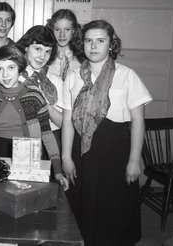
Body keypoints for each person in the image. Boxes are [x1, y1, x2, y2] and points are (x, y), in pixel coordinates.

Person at [61, 20, 152, 246]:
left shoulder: (127, 75)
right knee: (83, 206)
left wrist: (134, 160)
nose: (93, 46)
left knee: (114, 207)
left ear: (111, 44)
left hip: (116, 151)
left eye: (100, 41)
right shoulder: (73, 77)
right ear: (82, 44)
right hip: (82, 151)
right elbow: (67, 120)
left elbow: (138, 122)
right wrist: (65, 157)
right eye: (89, 41)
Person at [0, 45, 68, 189]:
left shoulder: (35, 97)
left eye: (11, 68)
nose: (5, 75)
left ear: (20, 69)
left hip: (29, 160)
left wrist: (58, 171)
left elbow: (47, 134)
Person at [16, 25, 63, 144]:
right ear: (26, 47)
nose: (42, 56)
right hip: (19, 137)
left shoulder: (56, 81)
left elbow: (62, 123)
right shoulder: (12, 76)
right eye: (38, 49)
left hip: (51, 139)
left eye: (47, 51)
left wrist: (44, 104)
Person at [47, 9, 84, 80]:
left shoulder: (81, 57)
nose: (62, 35)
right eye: (57, 29)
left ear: (74, 30)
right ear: (52, 29)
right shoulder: (45, 55)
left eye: (67, 29)